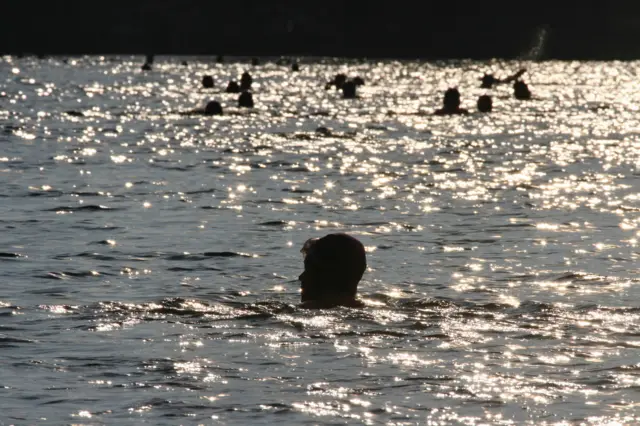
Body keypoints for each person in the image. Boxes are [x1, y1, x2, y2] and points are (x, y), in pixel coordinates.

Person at [298, 233, 366, 309]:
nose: (301, 277)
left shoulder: (290, 312)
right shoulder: (368, 312)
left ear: (324, 276)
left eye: (309, 269)